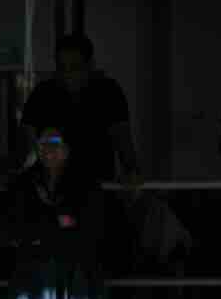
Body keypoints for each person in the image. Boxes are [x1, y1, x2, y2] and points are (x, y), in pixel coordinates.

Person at [19, 32, 142, 189]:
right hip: (53, 188)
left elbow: (124, 144)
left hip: (96, 187)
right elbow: (25, 147)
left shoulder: (108, 92)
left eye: (75, 67)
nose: (67, 75)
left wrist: (131, 173)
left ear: (90, 66)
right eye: (62, 68)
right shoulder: (42, 94)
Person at [4, 126, 100, 299]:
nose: (49, 149)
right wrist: (57, 223)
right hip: (34, 265)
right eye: (43, 144)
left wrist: (47, 225)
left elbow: (88, 224)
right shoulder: (24, 183)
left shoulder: (84, 182)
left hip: (74, 264)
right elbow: (18, 225)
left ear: (66, 149)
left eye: (55, 143)